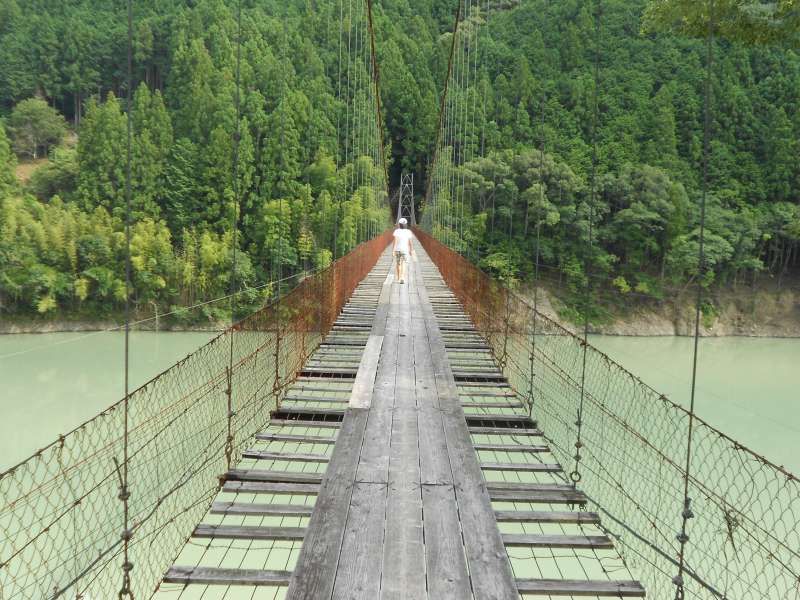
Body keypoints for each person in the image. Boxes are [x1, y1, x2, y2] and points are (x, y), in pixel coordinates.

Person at [392, 218, 414, 284]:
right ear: (406, 224)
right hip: (405, 250)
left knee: (398, 264)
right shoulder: (408, 232)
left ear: (399, 224)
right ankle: (402, 278)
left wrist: (393, 250)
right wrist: (411, 250)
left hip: (398, 250)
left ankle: (398, 279)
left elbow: (395, 241)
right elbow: (410, 242)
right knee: (403, 263)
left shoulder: (396, 231)